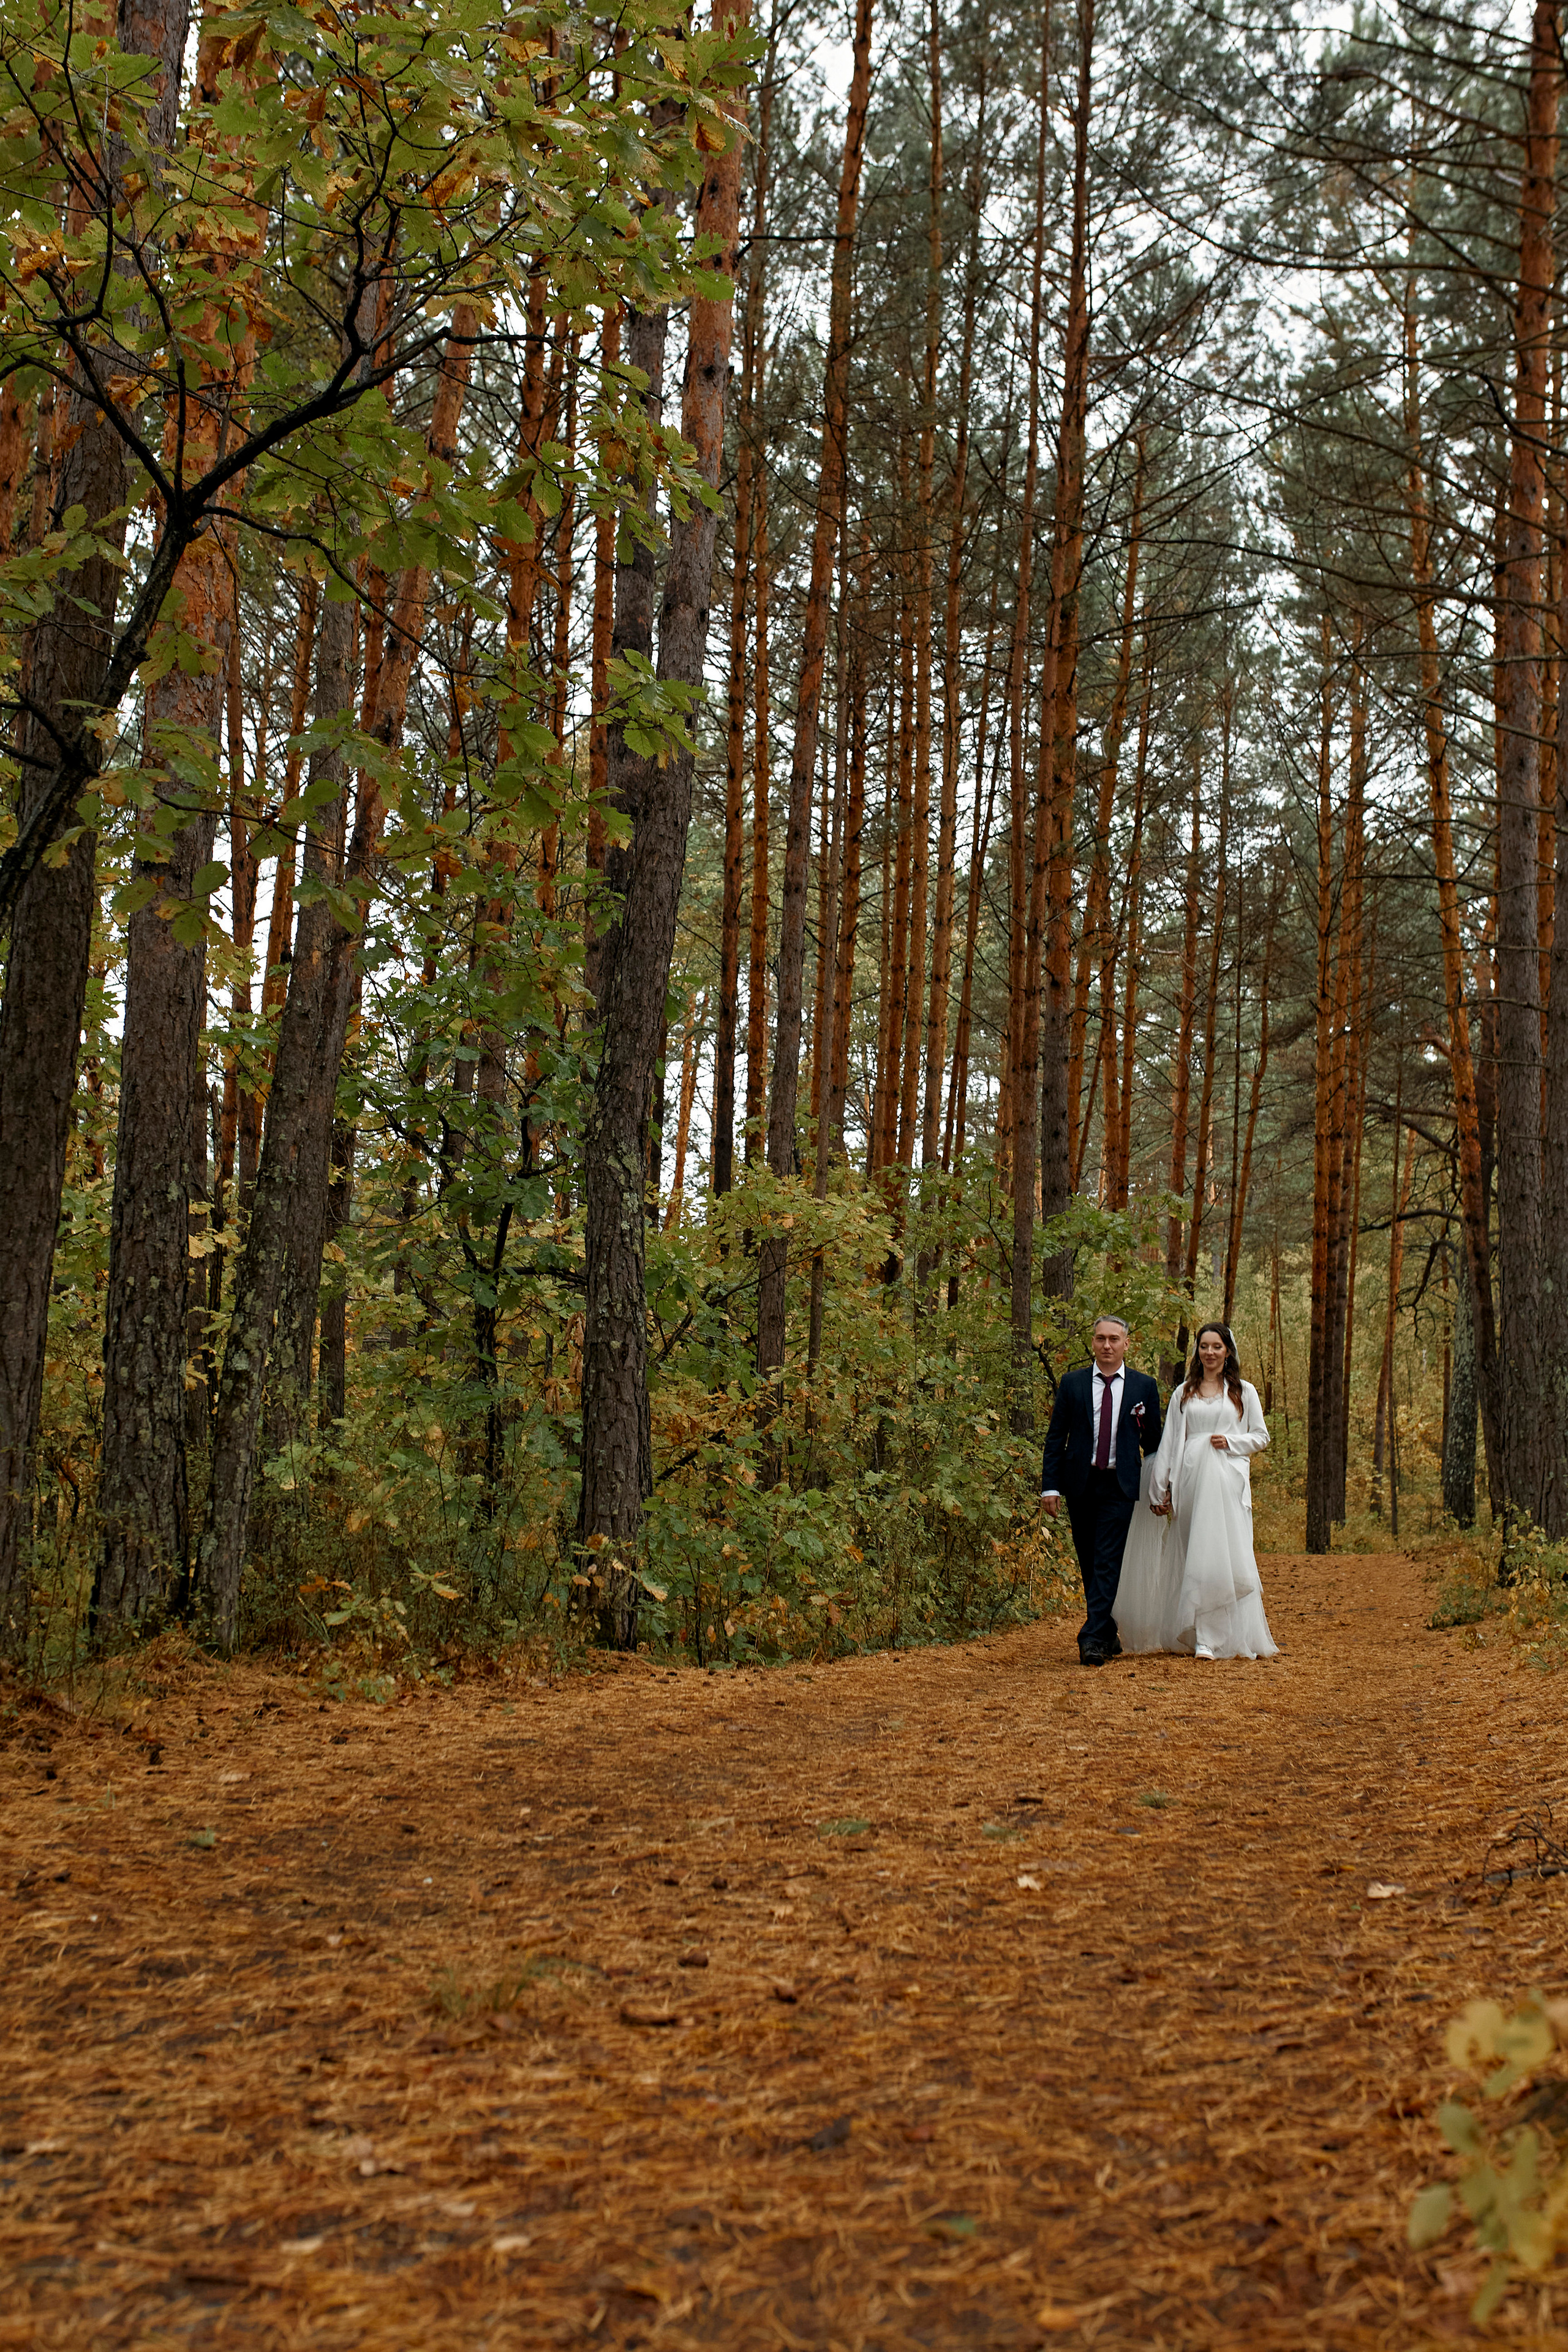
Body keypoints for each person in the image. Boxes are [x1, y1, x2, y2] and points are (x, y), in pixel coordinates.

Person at [1114, 1321, 1278, 1660]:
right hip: (1190, 1482)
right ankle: (1197, 1631)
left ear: (1228, 1351)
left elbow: (1261, 1437)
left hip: (1228, 1484)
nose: (1210, 1352)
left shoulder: (1244, 1392)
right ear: (1197, 1352)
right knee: (1195, 1556)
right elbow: (1171, 1443)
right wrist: (1161, 1490)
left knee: (1222, 1556)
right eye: (1204, 1346)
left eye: (1217, 1346)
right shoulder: (1184, 1393)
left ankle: (1214, 1637)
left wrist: (1232, 1442)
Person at [1039, 1314, 1164, 1667]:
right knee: (1089, 1561)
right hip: (1080, 1482)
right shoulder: (1073, 1384)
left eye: (1114, 1339)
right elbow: (1055, 1439)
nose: (1106, 1345)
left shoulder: (1144, 1387)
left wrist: (1160, 1488)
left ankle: (1092, 1639)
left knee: (1107, 1559)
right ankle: (1107, 1630)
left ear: (1127, 1344)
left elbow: (1154, 1444)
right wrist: (1050, 1486)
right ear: (1092, 1343)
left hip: (1120, 1485)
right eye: (1100, 1339)